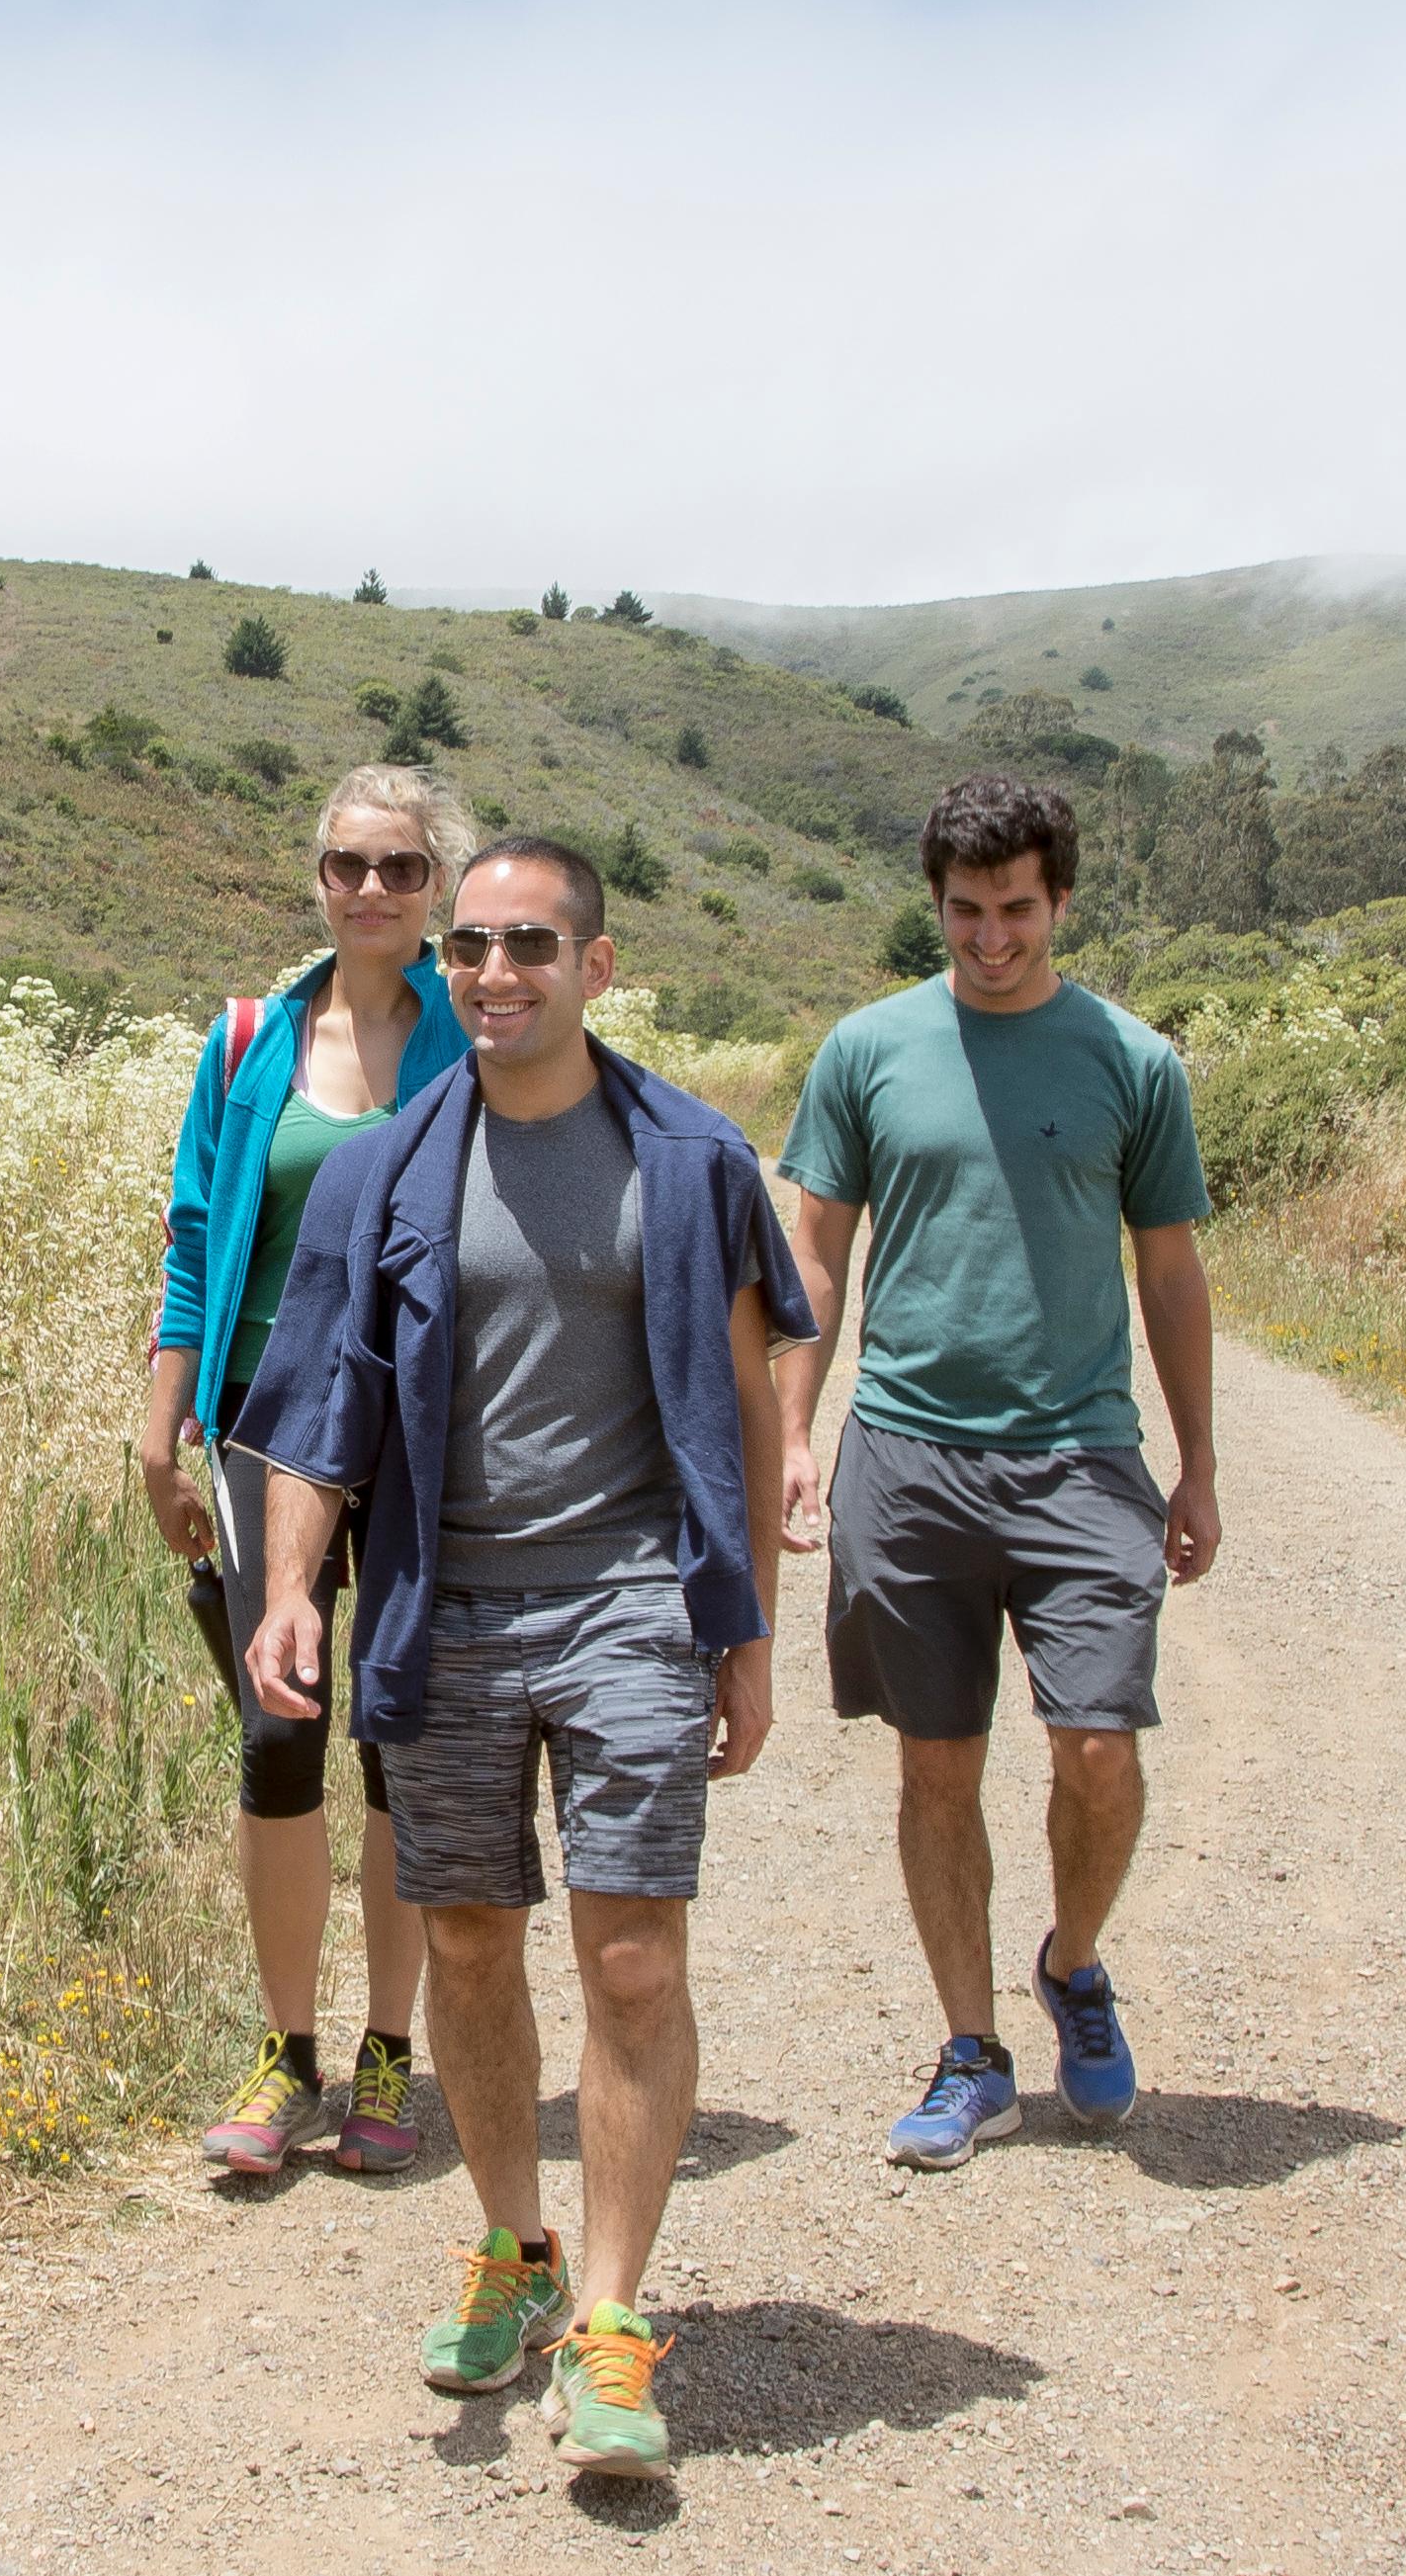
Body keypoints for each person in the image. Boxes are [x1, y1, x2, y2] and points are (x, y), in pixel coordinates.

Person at [236, 838, 810, 2481]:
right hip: (445, 1606)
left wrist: (743, 1634)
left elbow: (741, 1404)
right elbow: (312, 1416)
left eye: (531, 946)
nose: (497, 973)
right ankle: (513, 2245)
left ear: (596, 965)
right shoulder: (378, 1175)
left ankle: (616, 2318)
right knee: (471, 1946)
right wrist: (292, 1593)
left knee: (631, 1956)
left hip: (630, 1600)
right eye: (473, 945)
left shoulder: (692, 1160)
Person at [773, 769, 1218, 2173]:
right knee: (935, 1766)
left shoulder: (1130, 1061)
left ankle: (1071, 1963)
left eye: (1015, 909)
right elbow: (814, 1253)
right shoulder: (865, 1051)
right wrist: (790, 1434)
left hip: (1081, 1454)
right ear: (937, 904)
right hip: (904, 1455)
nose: (989, 939)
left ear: (1061, 900)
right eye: (964, 911)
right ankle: (969, 2050)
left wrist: (1197, 1462)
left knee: (1096, 1744)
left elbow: (1169, 1266)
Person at [139, 762, 478, 2179]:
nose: (370, 891)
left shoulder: (481, 1038)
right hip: (258, 1433)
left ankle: (390, 2054)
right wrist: (155, 1430)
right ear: (316, 875)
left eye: (400, 868)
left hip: (420, 1437)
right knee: (274, 1737)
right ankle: (286, 2053)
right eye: (347, 863)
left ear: (437, 888)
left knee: (397, 1741)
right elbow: (193, 1238)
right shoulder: (245, 1042)